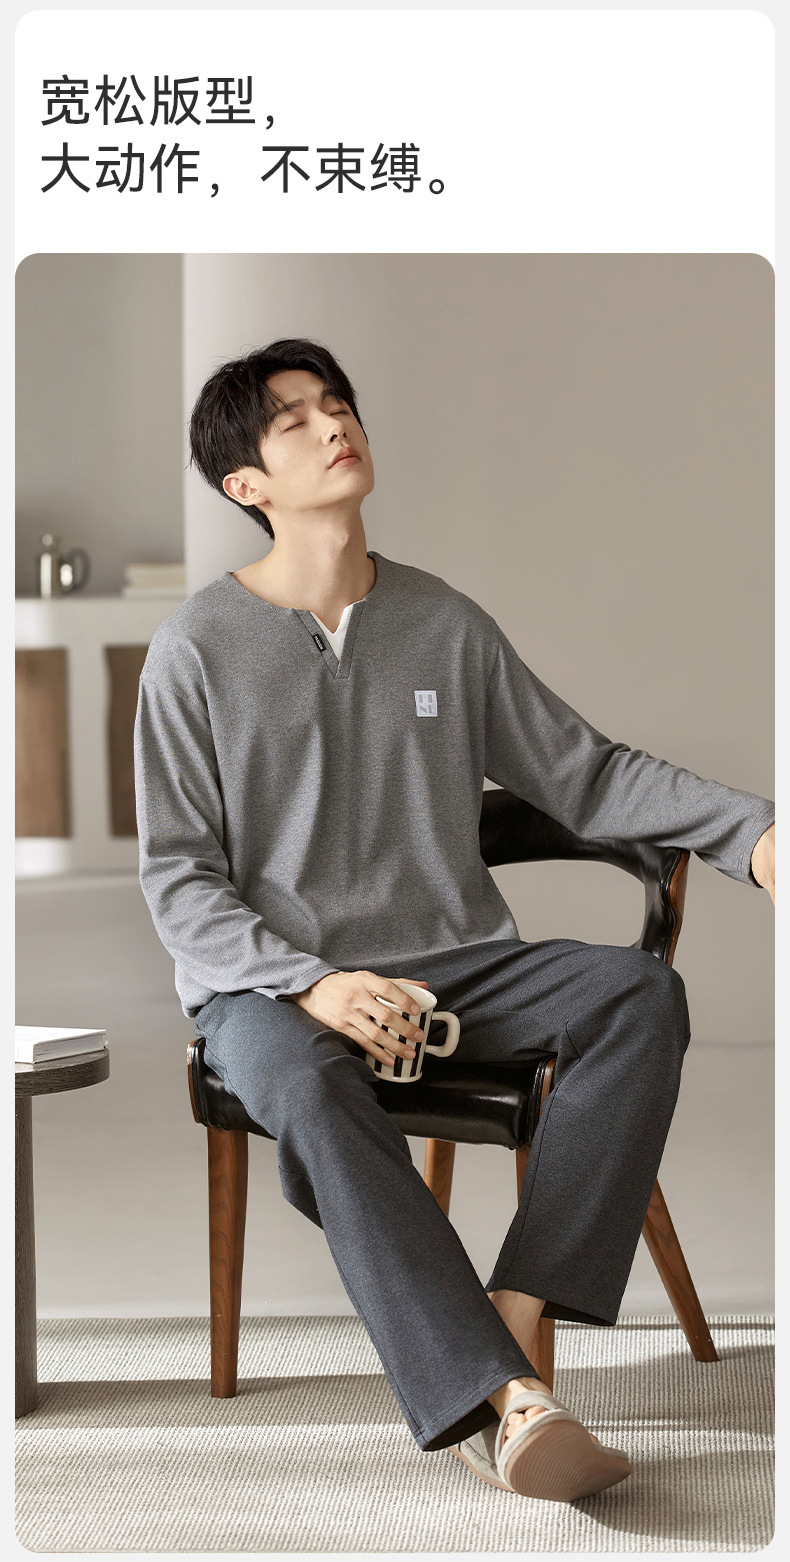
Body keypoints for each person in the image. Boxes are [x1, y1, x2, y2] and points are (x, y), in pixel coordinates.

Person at [134, 337, 775, 1502]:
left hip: (455, 963)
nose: (334, 423)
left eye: (338, 403)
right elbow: (178, 875)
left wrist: (754, 833)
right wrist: (312, 981)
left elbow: (585, 773)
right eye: (294, 419)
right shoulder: (194, 650)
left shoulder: (443, 622)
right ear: (246, 483)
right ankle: (505, 1401)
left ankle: (515, 1308)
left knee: (639, 994)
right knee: (310, 1081)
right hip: (269, 988)